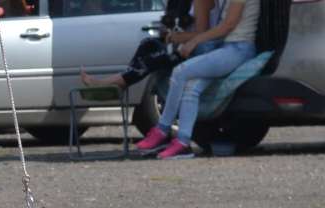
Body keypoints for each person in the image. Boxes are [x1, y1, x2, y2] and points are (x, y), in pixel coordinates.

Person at [135, 0, 260, 159]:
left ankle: (162, 129)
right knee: (191, 88)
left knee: (180, 72)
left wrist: (195, 40)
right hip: (227, 48)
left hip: (239, 48)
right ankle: (183, 143)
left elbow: (227, 26)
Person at [79, 0, 224, 90]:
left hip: (196, 51)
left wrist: (177, 37)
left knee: (151, 61)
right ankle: (123, 80)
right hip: (180, 46)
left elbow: (204, 34)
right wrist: (167, 33)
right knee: (147, 44)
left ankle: (113, 82)